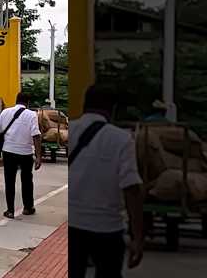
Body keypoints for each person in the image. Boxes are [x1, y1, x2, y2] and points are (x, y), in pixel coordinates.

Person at [69, 84, 144, 278]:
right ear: (112, 109)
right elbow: (132, 189)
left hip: (72, 227)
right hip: (107, 229)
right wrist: (137, 237)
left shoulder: (70, 130)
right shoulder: (122, 139)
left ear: (84, 104)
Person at [0, 92, 42, 219]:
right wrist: (38, 156)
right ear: (28, 102)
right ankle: (28, 208)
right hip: (25, 153)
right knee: (27, 181)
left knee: (9, 181)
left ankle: (10, 210)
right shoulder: (32, 115)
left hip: (8, 151)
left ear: (16, 100)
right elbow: (36, 135)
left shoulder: (5, 112)